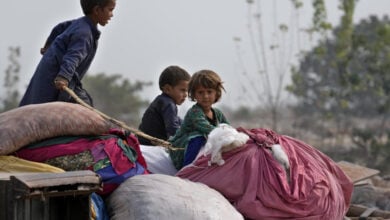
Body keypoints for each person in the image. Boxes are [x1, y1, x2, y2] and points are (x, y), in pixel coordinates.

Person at [19, 0, 116, 107]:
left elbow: (59, 27)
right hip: (56, 78)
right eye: (110, 10)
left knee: (35, 101)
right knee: (85, 108)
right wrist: (64, 77)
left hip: (49, 72)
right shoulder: (84, 34)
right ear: (97, 10)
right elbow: (73, 57)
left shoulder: (80, 24)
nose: (112, 15)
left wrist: (48, 45)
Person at [169, 69, 229, 170]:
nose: (205, 96)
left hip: (202, 150)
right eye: (200, 92)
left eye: (209, 92)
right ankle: (187, 169)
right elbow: (209, 129)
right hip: (181, 149)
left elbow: (228, 128)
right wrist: (227, 134)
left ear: (216, 93)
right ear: (194, 95)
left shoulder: (217, 113)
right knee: (199, 137)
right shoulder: (195, 112)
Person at [138, 65, 191, 146]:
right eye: (182, 90)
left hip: (143, 141)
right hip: (150, 144)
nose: (185, 95)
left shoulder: (161, 100)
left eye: (187, 91)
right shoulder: (168, 104)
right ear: (168, 89)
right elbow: (173, 129)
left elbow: (177, 120)